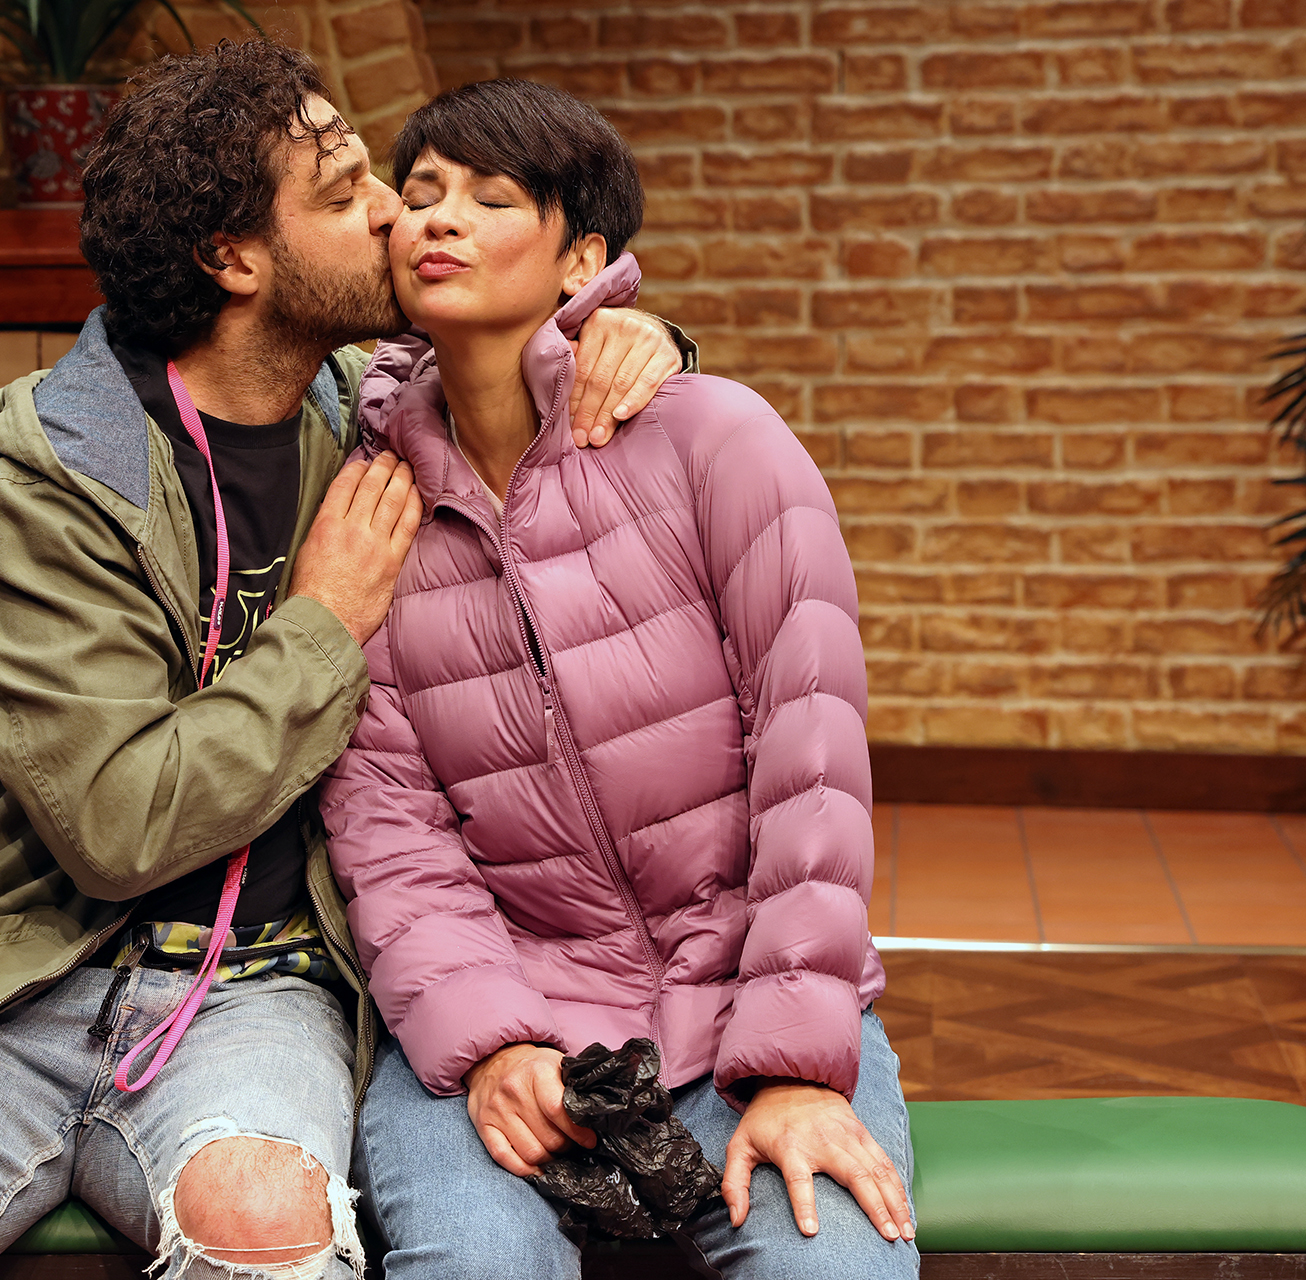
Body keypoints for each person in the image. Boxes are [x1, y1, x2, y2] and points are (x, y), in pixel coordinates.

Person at [0, 44, 682, 1280]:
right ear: (235, 259)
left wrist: (632, 336)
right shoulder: (58, 481)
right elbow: (119, 823)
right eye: (345, 195)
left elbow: (525, 375)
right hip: (11, 979)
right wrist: (322, 621)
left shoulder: (374, 412)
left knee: (265, 1224)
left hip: (262, 989)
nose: (396, 211)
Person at [319, 77, 919, 1280]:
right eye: (422, 192)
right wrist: (490, 1043)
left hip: (747, 1002)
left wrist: (795, 1065)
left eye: (493, 199)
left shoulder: (715, 439)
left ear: (582, 258)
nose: (441, 218)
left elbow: (810, 766)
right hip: (511, 1025)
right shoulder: (371, 508)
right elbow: (386, 824)